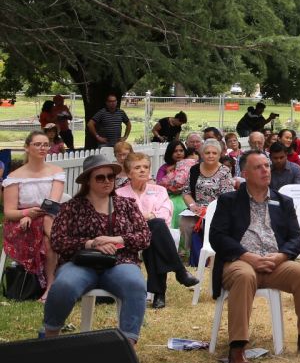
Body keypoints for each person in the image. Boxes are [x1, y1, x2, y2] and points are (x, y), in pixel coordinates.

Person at [209, 150, 300, 363]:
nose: (265, 171)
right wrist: (247, 256)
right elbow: (217, 237)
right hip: (240, 260)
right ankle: (237, 348)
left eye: (267, 166)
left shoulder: (283, 201)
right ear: (245, 173)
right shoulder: (229, 201)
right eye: (258, 167)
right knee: (244, 276)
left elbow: (297, 238)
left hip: (274, 262)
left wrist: (281, 256)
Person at [41, 156, 149, 342]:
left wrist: (116, 239)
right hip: (80, 262)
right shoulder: (72, 207)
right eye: (100, 177)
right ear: (87, 181)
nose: (107, 181)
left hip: (120, 261)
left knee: (136, 285)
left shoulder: (126, 205)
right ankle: (49, 338)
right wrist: (90, 243)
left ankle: (127, 346)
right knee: (64, 285)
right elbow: (58, 240)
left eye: (110, 177)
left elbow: (145, 237)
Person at [116, 151, 199, 308]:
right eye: (137, 167)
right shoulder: (119, 194)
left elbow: (166, 213)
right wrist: (147, 217)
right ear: (128, 173)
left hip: (155, 234)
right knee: (156, 228)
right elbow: (123, 220)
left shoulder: (159, 190)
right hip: (130, 236)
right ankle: (178, 274)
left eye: (145, 167)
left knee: (156, 230)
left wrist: (144, 217)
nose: (142, 170)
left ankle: (159, 295)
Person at [3, 130, 66, 300]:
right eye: (37, 144)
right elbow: (9, 212)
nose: (42, 148)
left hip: (49, 217)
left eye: (45, 144)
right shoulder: (14, 177)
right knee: (48, 232)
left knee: (47, 225)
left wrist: (31, 216)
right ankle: (54, 281)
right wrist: (26, 213)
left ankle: (50, 286)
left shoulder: (56, 172)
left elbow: (52, 204)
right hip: (20, 223)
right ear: (27, 148)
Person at [182, 138, 236, 265]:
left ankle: (212, 257)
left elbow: (226, 197)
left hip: (217, 209)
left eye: (214, 153)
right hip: (197, 209)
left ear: (219, 155)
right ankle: (192, 255)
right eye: (207, 153)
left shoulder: (224, 171)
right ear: (202, 154)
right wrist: (192, 205)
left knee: (209, 224)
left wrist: (209, 210)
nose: (211, 155)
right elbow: (186, 192)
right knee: (185, 222)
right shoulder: (194, 169)